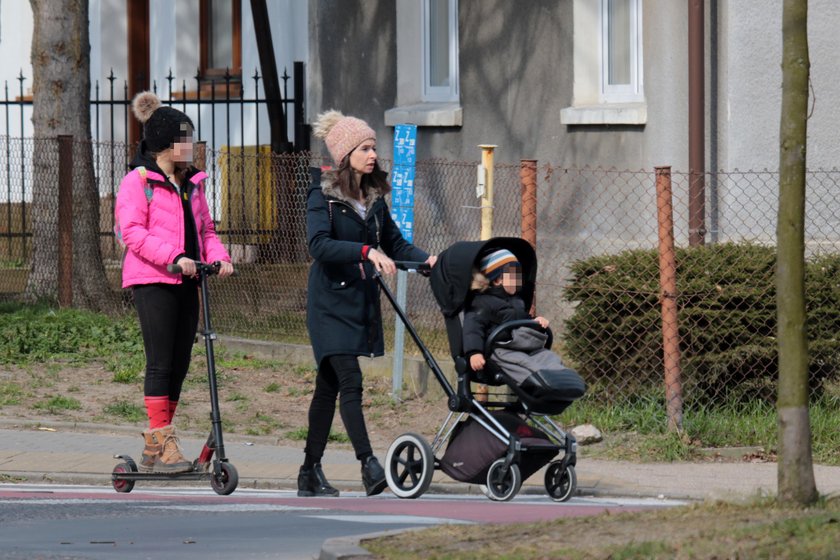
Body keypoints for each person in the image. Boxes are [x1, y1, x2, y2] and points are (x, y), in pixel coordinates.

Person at [301, 110, 437, 497]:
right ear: (345, 155)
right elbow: (319, 245)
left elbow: (394, 245)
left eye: (374, 147)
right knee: (350, 381)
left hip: (358, 302)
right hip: (328, 303)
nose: (373, 154)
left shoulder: (373, 199)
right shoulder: (323, 196)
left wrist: (426, 260)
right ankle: (368, 464)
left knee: (327, 390)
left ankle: (308, 472)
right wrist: (364, 250)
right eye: (364, 148)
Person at [115, 91, 234, 473]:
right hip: (153, 279)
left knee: (181, 363)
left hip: (188, 280)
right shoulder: (138, 181)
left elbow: (206, 230)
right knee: (161, 362)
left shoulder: (192, 184)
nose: (193, 146)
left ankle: (156, 444)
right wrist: (173, 258)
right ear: (167, 145)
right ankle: (162, 443)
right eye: (186, 139)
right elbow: (130, 232)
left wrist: (219, 258)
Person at [463, 248, 550, 373]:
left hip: (520, 348)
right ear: (497, 280)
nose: (518, 280)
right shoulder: (482, 303)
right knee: (532, 367)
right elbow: (472, 329)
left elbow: (522, 323)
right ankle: (544, 383)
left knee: (548, 357)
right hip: (499, 351)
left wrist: (536, 322)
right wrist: (474, 352)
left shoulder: (518, 302)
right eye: (513, 276)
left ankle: (561, 380)